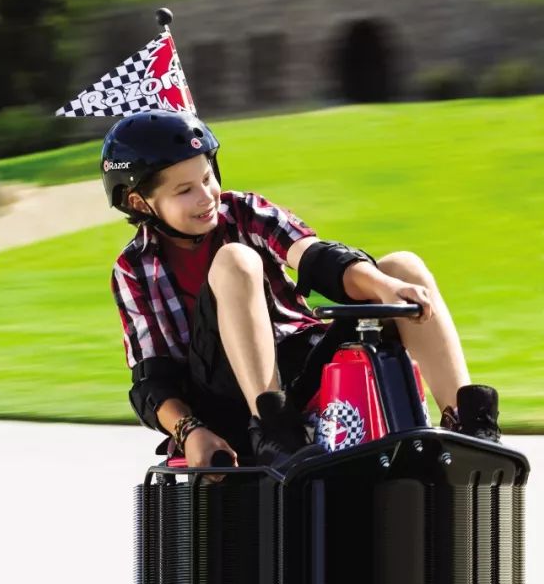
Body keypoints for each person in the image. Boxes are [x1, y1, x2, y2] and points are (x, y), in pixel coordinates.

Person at [105, 109, 501, 469]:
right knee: (235, 260)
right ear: (139, 202)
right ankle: (272, 430)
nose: (207, 196)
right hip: (227, 400)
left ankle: (466, 426)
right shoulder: (134, 269)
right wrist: (190, 432)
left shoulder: (243, 210)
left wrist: (386, 286)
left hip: (301, 360)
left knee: (403, 267)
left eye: (207, 178)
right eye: (184, 190)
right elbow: (153, 384)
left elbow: (314, 257)